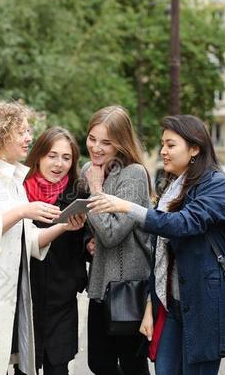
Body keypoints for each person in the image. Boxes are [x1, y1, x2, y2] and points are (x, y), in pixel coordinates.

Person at [88, 114, 225, 375]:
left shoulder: (217, 185)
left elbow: (182, 224)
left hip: (203, 307)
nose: (163, 151)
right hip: (172, 306)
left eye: (171, 145)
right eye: (163, 144)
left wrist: (127, 207)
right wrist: (151, 308)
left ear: (195, 148)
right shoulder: (176, 186)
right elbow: (159, 252)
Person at [0, 101, 86, 375]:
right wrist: (23, 211)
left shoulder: (14, 179)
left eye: (29, 130)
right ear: (0, 133)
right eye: (21, 131)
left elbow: (29, 241)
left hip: (7, 299)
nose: (29, 138)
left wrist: (64, 226)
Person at [82, 105, 152, 375]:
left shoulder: (133, 174)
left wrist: (96, 189)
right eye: (92, 138)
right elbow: (94, 227)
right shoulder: (89, 168)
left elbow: (112, 234)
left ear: (121, 142)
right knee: (98, 364)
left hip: (127, 287)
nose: (96, 147)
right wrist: (87, 239)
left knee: (132, 365)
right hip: (100, 284)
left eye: (106, 142)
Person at [13, 127, 88, 375]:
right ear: (38, 156)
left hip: (62, 295)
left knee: (58, 366)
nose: (59, 164)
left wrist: (89, 242)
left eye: (66, 158)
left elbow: (87, 243)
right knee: (26, 365)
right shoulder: (18, 191)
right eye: (52, 156)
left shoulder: (77, 193)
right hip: (24, 295)